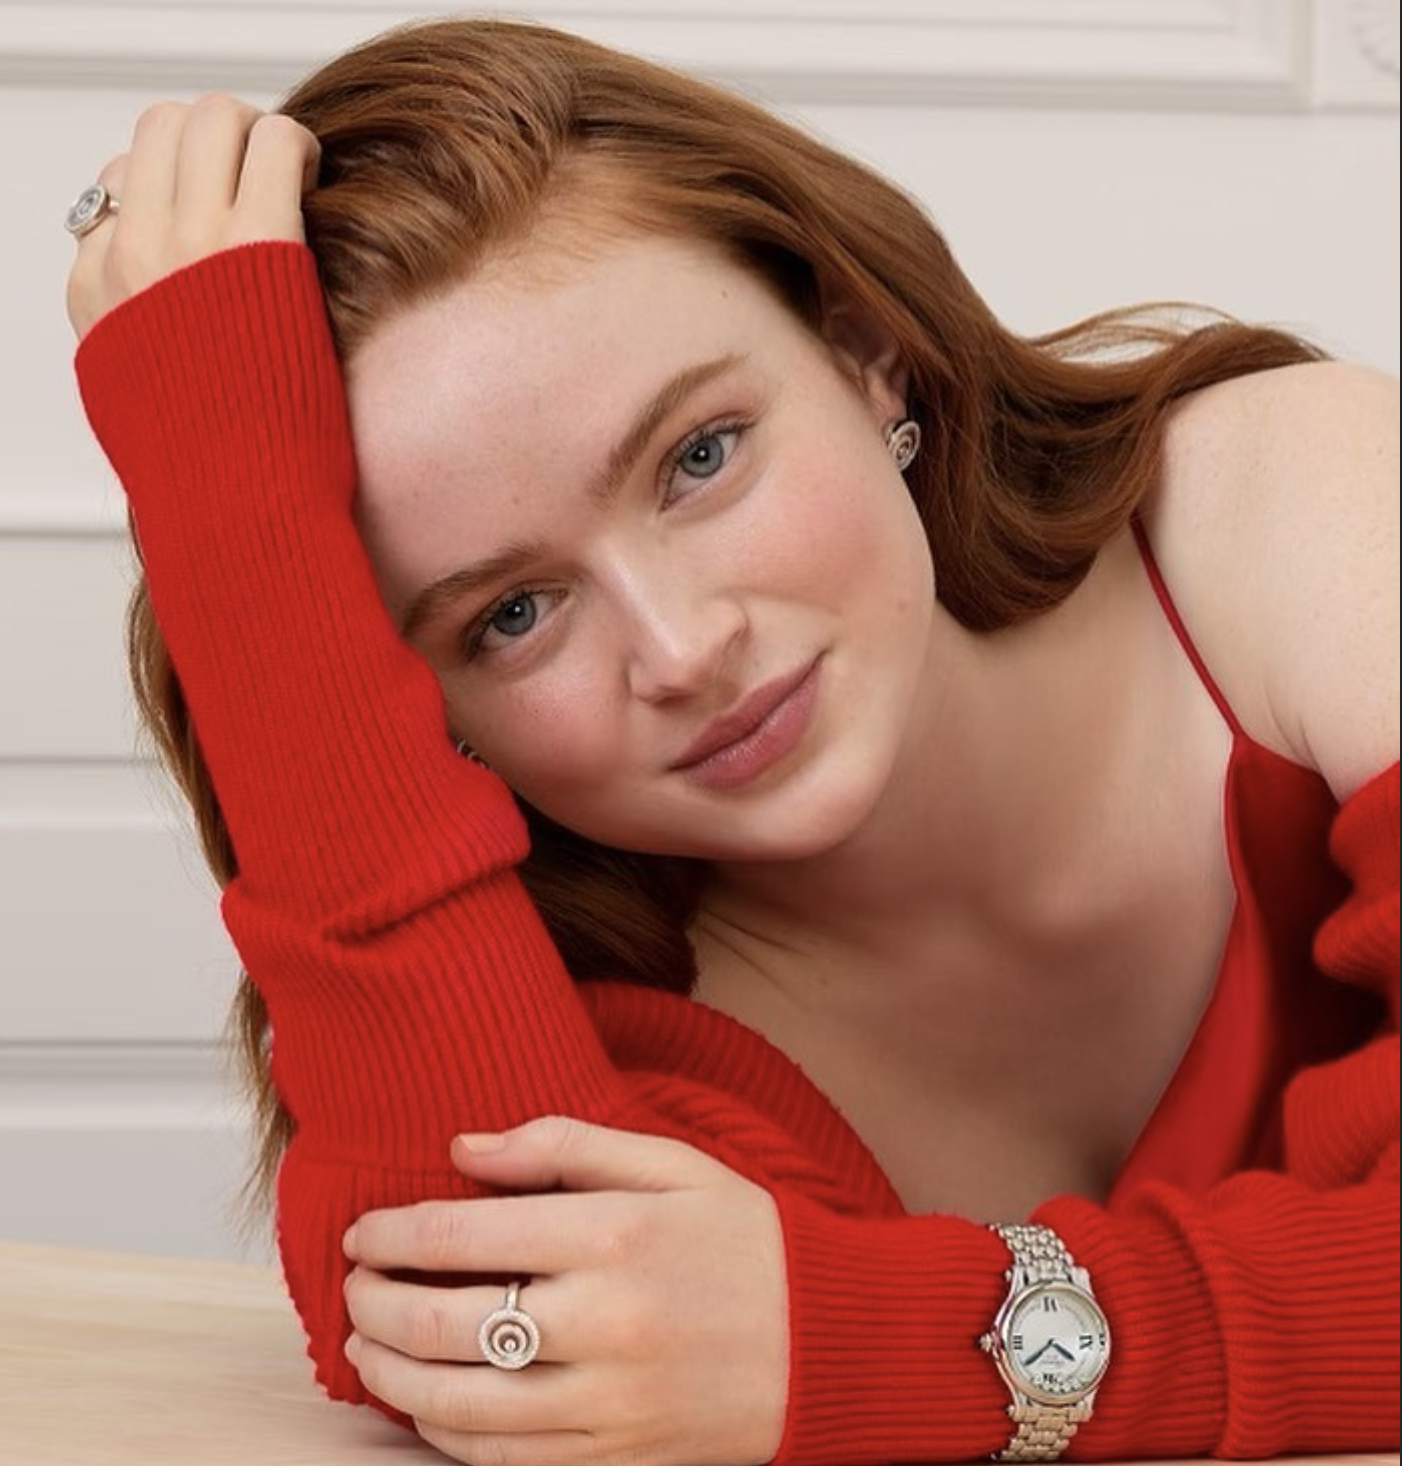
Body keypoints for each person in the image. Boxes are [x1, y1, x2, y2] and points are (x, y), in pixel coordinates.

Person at [63, 16, 1397, 1466]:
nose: (682, 648)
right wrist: (235, 529)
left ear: (865, 351)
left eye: (699, 457)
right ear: (419, 710)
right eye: (510, 616)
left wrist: (880, 1337)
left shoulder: (1292, 510)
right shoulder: (591, 1000)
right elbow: (497, 1336)